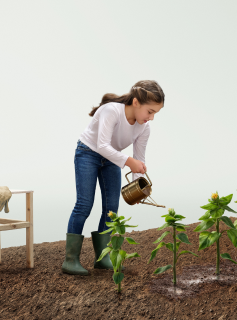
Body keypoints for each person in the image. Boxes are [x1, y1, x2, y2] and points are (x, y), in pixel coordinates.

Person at [61, 80, 164, 275]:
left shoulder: (144, 128)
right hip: (88, 153)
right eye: (150, 112)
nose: (151, 118)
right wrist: (129, 161)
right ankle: (70, 259)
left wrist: (137, 187)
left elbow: (138, 160)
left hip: (112, 158)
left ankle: (103, 257)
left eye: (155, 114)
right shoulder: (112, 111)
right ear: (136, 102)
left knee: (111, 209)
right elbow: (102, 146)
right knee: (84, 204)